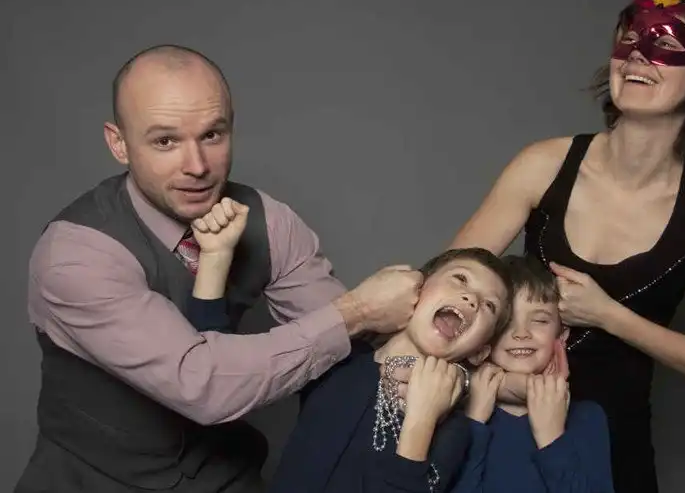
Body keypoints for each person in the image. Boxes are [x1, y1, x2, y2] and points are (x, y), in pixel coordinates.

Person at [15, 44, 423, 493]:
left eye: (212, 135)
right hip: (94, 482)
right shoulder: (76, 254)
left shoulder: (269, 222)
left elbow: (348, 349)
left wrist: (424, 368)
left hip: (224, 476)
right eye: (165, 141)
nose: (197, 167)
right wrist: (357, 312)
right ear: (119, 144)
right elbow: (202, 384)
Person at [447, 0, 685, 493]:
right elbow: (445, 294)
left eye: (666, 44)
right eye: (630, 39)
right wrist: (496, 384)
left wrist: (608, 315)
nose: (638, 54)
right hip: (503, 434)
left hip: (616, 448)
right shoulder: (543, 164)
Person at [268, 247, 514, 493]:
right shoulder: (338, 356)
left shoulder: (454, 430)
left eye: (489, 305)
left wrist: (423, 419)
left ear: (479, 352)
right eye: (460, 278)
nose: (471, 299)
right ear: (415, 289)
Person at [452, 255, 614, 493]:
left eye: (539, 320)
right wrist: (474, 423)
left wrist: (552, 437)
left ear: (561, 334)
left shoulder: (587, 417)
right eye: (506, 321)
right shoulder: (456, 411)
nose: (521, 333)